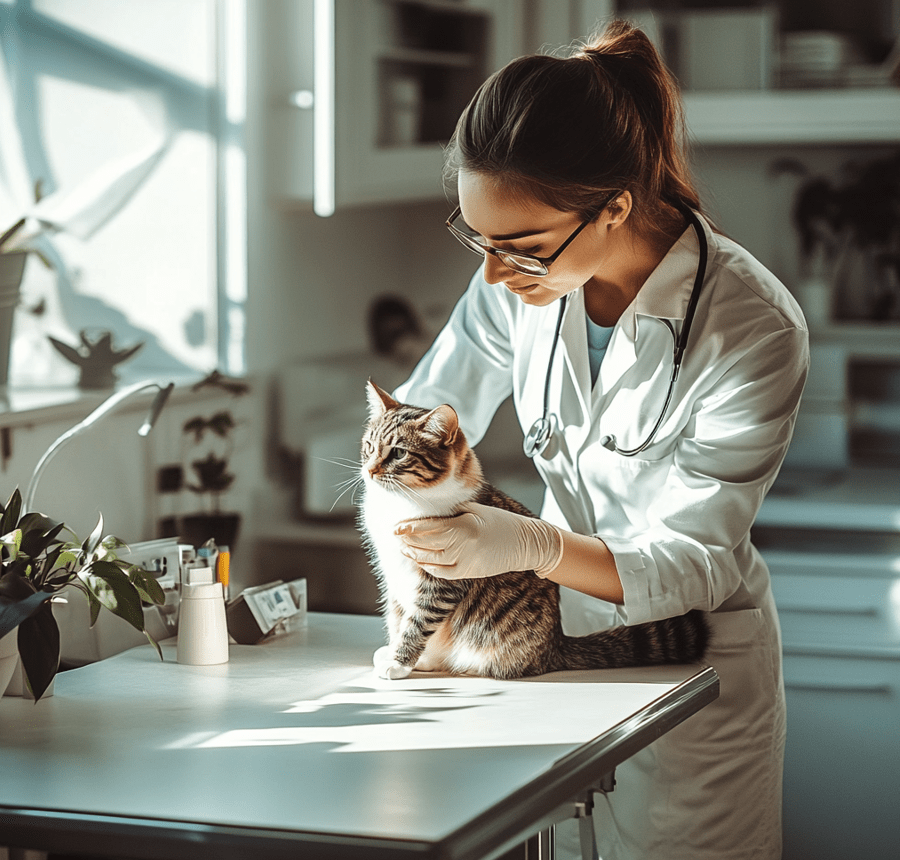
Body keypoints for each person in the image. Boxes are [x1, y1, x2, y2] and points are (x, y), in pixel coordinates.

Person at [392, 19, 809, 860]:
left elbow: (697, 558)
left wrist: (534, 545)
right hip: (558, 653)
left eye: (520, 248)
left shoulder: (750, 327)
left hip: (694, 665)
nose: (494, 276)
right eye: (478, 240)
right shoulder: (519, 284)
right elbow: (422, 415)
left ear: (614, 205)